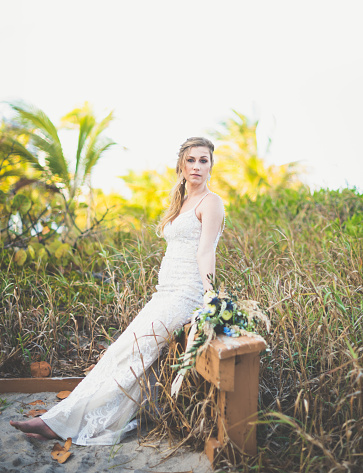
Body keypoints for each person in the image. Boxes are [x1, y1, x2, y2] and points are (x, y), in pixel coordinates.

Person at [10, 137, 225, 445]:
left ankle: (55, 422)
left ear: (211, 166)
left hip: (185, 295)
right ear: (181, 164)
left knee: (130, 352)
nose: (197, 167)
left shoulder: (211, 202)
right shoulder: (182, 202)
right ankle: (66, 419)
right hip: (164, 293)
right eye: (191, 160)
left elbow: (206, 253)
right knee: (121, 354)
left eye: (204, 160)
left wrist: (211, 297)